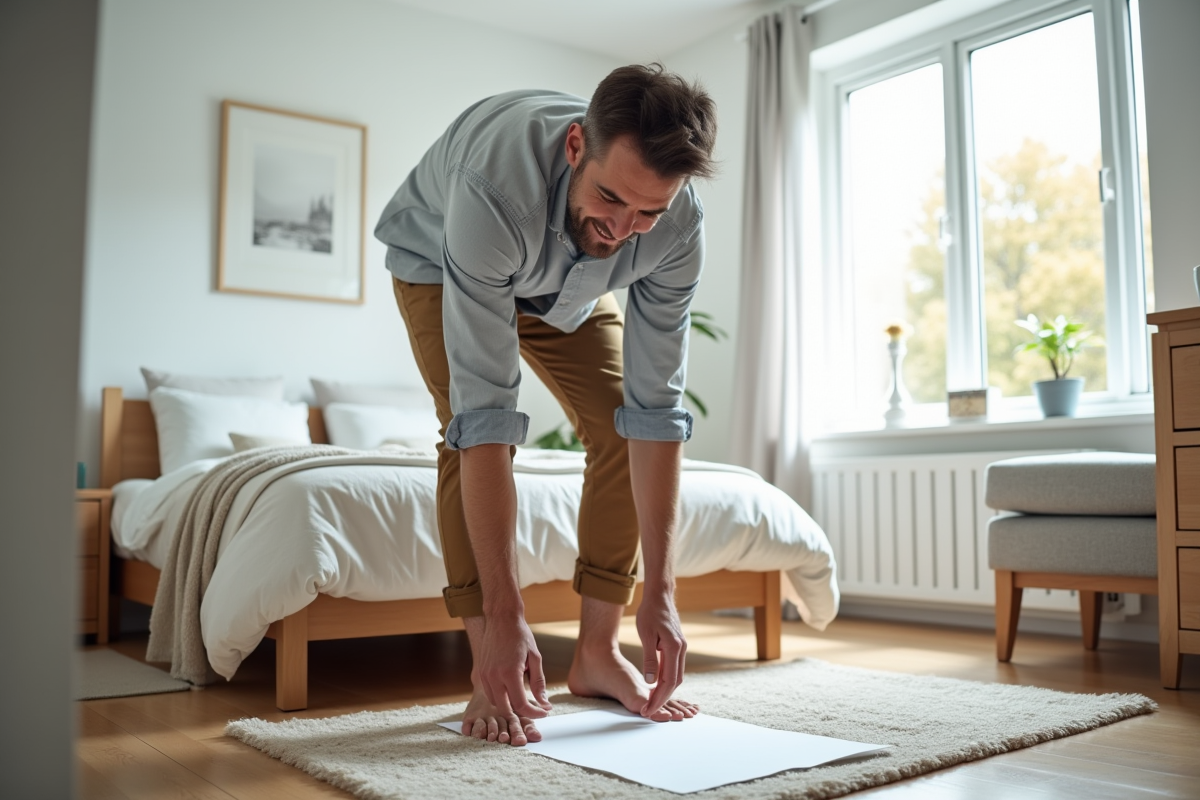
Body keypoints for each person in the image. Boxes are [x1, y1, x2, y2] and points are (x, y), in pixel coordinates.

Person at [375, 63, 717, 747]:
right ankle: (489, 664)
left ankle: (596, 653)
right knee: (464, 431)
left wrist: (663, 595)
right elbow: (485, 419)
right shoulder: (492, 188)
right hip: (445, 264)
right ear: (574, 147)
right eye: (611, 197)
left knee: (622, 421)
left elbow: (655, 412)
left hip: (570, 284)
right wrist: (506, 615)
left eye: (646, 211)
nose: (622, 228)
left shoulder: (674, 228)